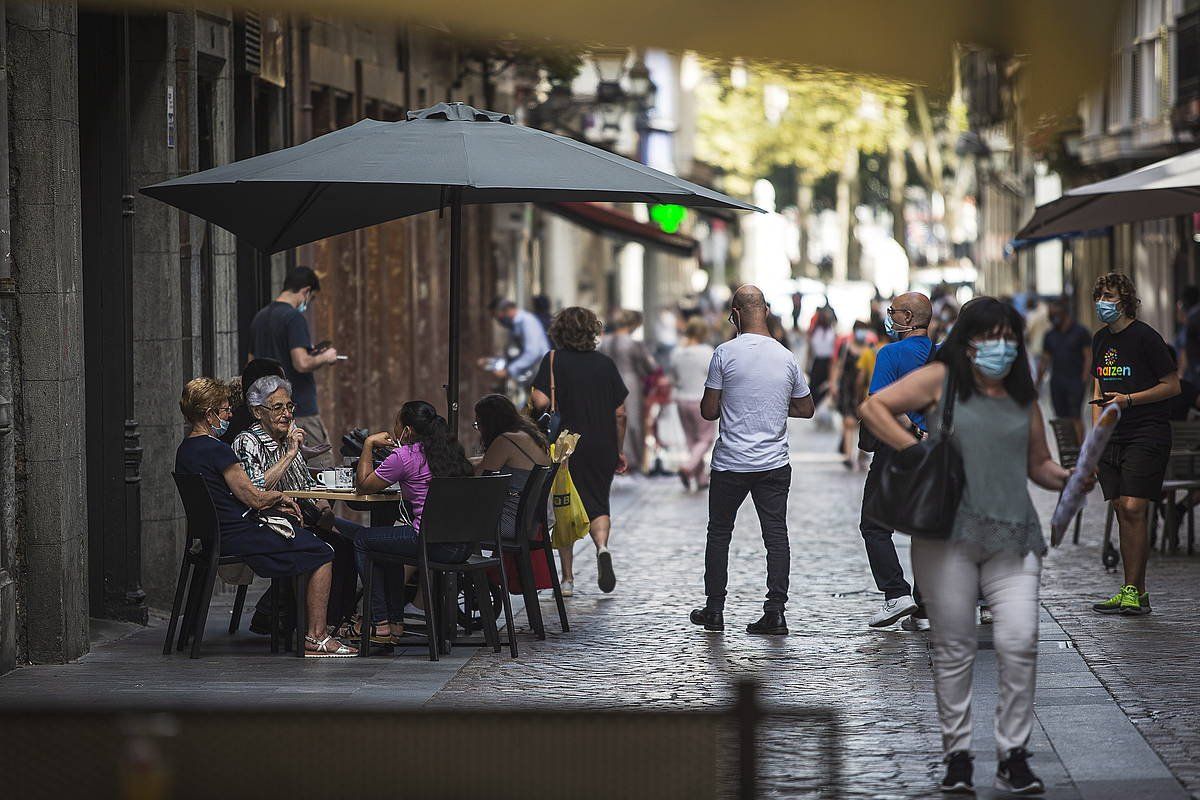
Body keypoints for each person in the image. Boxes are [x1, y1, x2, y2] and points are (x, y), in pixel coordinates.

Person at [859, 296, 1084, 796]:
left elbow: (1038, 464)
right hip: (946, 536)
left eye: (1008, 337)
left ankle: (1013, 753)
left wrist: (1069, 477)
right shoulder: (942, 379)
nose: (999, 347)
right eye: (990, 336)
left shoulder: (1020, 393)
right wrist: (916, 450)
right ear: (968, 339)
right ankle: (958, 755)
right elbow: (874, 407)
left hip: (1012, 535)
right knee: (955, 648)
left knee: (1020, 639)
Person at [173, 377, 355, 657]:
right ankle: (315, 636)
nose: (230, 415)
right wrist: (280, 498)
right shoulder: (217, 450)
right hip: (239, 534)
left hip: (219, 534)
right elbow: (254, 496)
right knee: (322, 551)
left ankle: (302, 624)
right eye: (224, 410)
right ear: (208, 415)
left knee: (309, 540)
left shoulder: (186, 450)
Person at [689, 285, 815, 636]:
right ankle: (775, 612)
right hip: (773, 464)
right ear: (766, 309)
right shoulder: (786, 356)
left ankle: (714, 610)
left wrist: (735, 400)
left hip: (731, 463)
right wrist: (773, 405)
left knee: (719, 534)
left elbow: (709, 410)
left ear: (735, 313)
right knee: (775, 535)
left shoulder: (724, 353)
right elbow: (806, 408)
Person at [232, 375, 361, 635]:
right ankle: (314, 629)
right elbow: (256, 489)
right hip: (266, 523)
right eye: (278, 407)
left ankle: (336, 622)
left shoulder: (287, 439)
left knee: (349, 544)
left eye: (289, 407)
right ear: (258, 412)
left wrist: (323, 507)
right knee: (329, 548)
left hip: (300, 518)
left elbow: (307, 487)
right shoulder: (247, 442)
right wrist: (291, 454)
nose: (287, 414)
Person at [1090, 273, 1179, 617]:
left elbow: (1171, 385)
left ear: (1125, 300)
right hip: (1112, 436)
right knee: (1120, 509)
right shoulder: (1099, 339)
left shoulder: (1146, 338)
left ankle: (1132, 588)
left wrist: (1129, 400)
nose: (1101, 301)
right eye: (1098, 295)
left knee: (1132, 507)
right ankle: (1135, 592)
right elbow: (1097, 393)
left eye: (1108, 295)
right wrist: (1095, 442)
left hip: (1147, 431)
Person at [352, 401, 474, 642]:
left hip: (430, 543)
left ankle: (381, 622)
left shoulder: (404, 456)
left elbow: (364, 485)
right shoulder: (451, 451)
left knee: (362, 540)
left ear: (407, 430)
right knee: (388, 543)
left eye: (397, 422)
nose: (394, 427)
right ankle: (396, 622)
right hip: (463, 545)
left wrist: (368, 444)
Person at [531, 307, 629, 595]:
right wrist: (619, 449)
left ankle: (568, 580)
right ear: (592, 331)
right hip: (602, 444)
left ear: (559, 331)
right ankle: (602, 548)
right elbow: (620, 413)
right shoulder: (605, 364)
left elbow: (538, 401)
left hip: (565, 446)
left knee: (564, 507)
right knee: (598, 502)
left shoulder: (553, 360)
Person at [860, 291, 934, 631]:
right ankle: (925, 605)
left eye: (893, 312)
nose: (889, 317)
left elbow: (882, 403)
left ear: (908, 317)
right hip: (935, 449)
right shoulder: (940, 354)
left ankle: (896, 593)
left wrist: (912, 433)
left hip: (897, 448)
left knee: (874, 524)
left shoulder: (889, 353)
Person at [247, 266, 340, 469]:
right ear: (306, 291)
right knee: (322, 466)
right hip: (299, 408)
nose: (309, 303)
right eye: (312, 298)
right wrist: (326, 356)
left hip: (269, 411)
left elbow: (251, 364)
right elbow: (302, 362)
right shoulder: (294, 318)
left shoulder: (260, 317)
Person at [473, 393, 552, 542]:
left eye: (479, 424)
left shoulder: (506, 440)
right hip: (527, 524)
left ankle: (455, 563)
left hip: (508, 523)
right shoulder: (527, 436)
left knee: (454, 518)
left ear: (490, 423)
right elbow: (487, 461)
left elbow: (479, 478)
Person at [599, 309, 656, 474]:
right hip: (630, 383)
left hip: (608, 382)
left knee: (610, 420)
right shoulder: (633, 344)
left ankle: (611, 456)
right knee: (631, 421)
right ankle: (631, 461)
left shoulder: (604, 342)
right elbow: (650, 367)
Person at [671, 316, 717, 491]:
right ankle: (689, 467)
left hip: (681, 400)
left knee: (691, 440)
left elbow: (673, 377)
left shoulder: (677, 353)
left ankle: (701, 478)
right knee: (705, 439)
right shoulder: (706, 351)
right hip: (700, 399)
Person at [1038, 299, 1092, 444]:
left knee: (1075, 416)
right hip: (1057, 381)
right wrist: (1037, 382)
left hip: (1075, 380)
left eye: (1055, 314)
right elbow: (1045, 360)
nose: (1053, 318)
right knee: (1061, 417)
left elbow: (1088, 356)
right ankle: (1067, 448)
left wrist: (1084, 379)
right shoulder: (1050, 335)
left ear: (1064, 313)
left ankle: (1079, 450)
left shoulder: (1081, 332)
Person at [830, 321, 875, 471]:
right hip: (847, 390)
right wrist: (834, 384)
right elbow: (838, 366)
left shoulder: (870, 349)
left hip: (864, 390)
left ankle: (862, 454)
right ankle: (849, 457)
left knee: (865, 422)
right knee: (849, 421)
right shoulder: (846, 347)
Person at [486, 298, 551, 385]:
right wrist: (492, 362)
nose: (497, 320)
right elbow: (513, 353)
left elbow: (532, 352)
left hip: (540, 374)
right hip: (530, 375)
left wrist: (509, 371)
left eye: (497, 316)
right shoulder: (515, 325)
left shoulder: (527, 322)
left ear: (506, 310)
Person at [807, 307, 836, 406]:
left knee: (824, 388)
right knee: (814, 388)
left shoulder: (831, 332)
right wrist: (807, 364)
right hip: (817, 362)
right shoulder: (815, 331)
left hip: (827, 362)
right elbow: (810, 350)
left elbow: (833, 351)